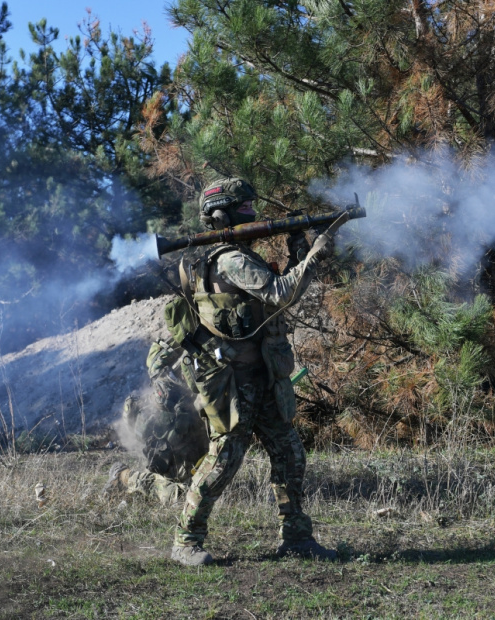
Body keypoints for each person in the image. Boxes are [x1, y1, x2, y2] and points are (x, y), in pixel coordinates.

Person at [168, 176, 338, 566]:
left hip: (261, 376)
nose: (253, 215)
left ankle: (296, 537)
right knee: (224, 461)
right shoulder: (231, 260)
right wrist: (314, 256)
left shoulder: (230, 258)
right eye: (244, 209)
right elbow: (281, 293)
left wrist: (300, 251)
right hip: (235, 382)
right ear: (222, 215)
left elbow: (274, 299)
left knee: (290, 454)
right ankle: (185, 541)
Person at [102, 339, 209, 504]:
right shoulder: (166, 381)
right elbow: (159, 354)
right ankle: (124, 476)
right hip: (173, 454)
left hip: (194, 450)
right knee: (182, 497)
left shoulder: (210, 375)